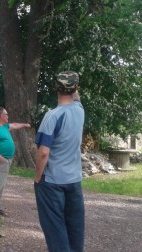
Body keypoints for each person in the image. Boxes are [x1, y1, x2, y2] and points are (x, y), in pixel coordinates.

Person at [34, 71, 85, 252]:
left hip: (53, 182)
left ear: (56, 88)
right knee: (75, 229)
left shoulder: (52, 116)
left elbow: (43, 153)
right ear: (75, 88)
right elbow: (76, 98)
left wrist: (38, 177)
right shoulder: (80, 110)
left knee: (55, 230)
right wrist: (73, 85)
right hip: (74, 180)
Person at [0, 107, 31, 218]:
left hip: (5, 161)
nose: (8, 116)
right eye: (6, 114)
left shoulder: (4, 127)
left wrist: (24, 125)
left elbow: (14, 125)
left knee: (1, 185)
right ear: (1, 116)